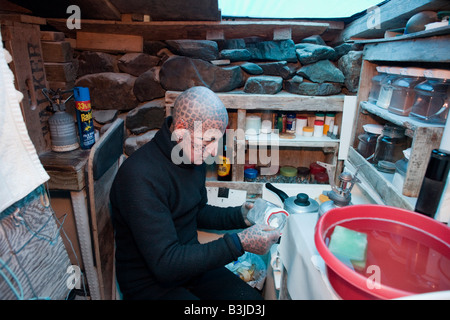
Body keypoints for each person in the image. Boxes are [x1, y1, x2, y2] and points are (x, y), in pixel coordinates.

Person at [110, 86, 280, 300]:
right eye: (207, 141)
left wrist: (241, 216)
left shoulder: (190, 156)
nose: (213, 151)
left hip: (189, 266)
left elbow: (196, 211)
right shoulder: (139, 177)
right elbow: (166, 263)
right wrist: (239, 243)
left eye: (218, 140)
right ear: (180, 131)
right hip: (150, 284)